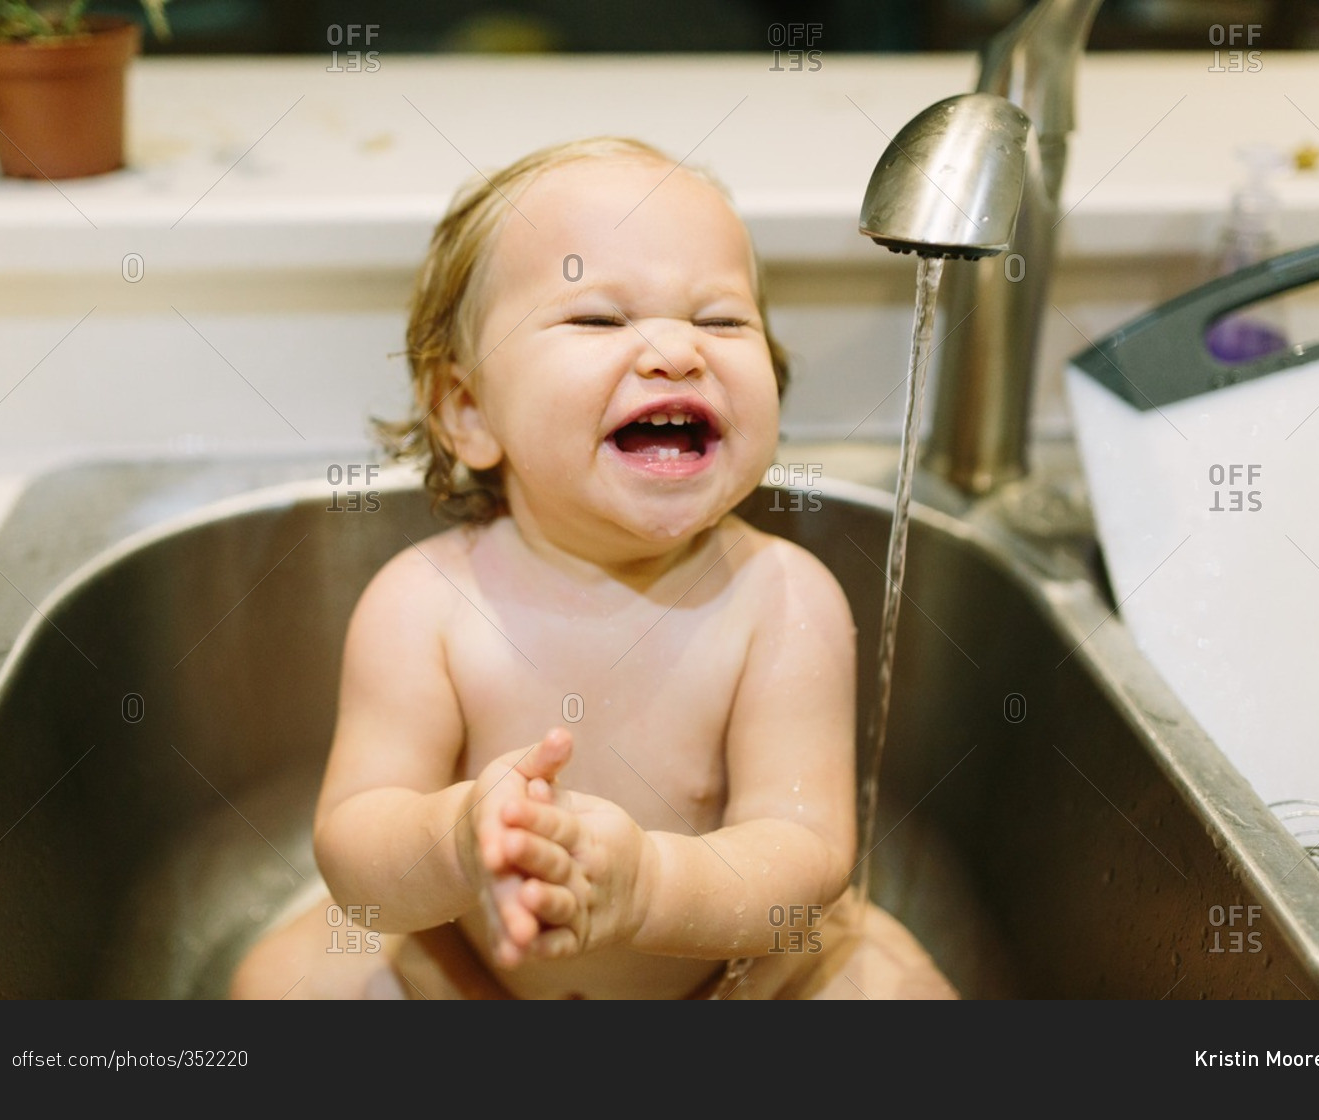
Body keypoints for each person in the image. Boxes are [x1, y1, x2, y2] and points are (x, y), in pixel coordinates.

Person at [230, 137, 956, 999]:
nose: (676, 352)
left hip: (734, 984)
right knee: (281, 980)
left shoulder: (783, 601)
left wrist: (651, 887)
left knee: (891, 987)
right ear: (467, 410)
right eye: (599, 320)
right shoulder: (423, 606)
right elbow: (355, 849)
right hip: (472, 978)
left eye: (722, 320)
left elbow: (802, 851)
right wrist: (457, 840)